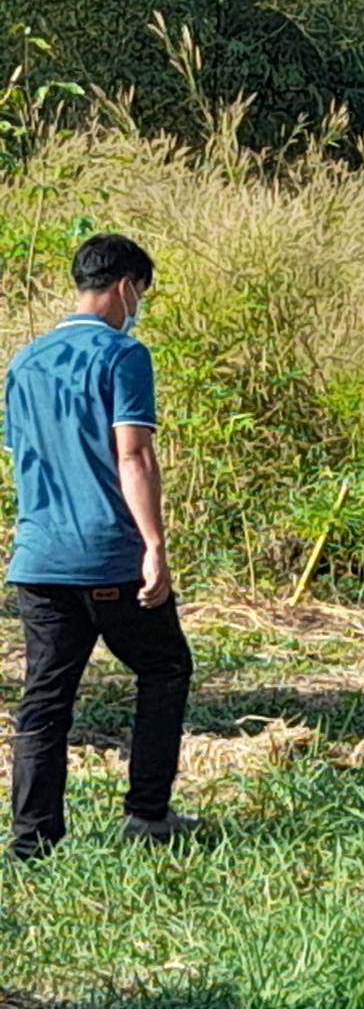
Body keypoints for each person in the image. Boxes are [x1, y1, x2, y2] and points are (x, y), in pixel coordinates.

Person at [4, 234, 198, 860]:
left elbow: (25, 456)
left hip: (38, 558)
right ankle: (147, 813)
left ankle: (32, 840)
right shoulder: (123, 355)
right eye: (141, 292)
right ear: (126, 286)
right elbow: (133, 455)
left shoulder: (24, 362)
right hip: (107, 553)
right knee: (164, 668)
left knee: (45, 699)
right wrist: (154, 545)